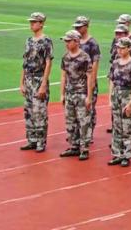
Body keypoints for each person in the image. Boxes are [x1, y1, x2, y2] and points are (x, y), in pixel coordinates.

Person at [20, 12, 53, 153]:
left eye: (34, 22)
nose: (31, 24)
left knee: (39, 112)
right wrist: (21, 82)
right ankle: (32, 140)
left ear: (41, 23)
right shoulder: (28, 40)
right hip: (28, 79)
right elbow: (25, 62)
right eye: (31, 22)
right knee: (28, 111)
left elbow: (48, 62)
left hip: (39, 79)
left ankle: (40, 141)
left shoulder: (46, 41)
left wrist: (44, 84)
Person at [59, 30, 93, 161]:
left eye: (68, 41)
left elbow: (90, 77)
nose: (66, 43)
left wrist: (89, 96)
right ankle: (74, 146)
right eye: (66, 41)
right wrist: (62, 94)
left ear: (76, 41)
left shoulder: (84, 57)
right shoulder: (65, 57)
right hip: (69, 93)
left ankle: (84, 148)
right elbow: (63, 76)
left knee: (83, 122)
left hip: (81, 94)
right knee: (70, 121)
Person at [108, 37, 131, 167]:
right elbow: (111, 79)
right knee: (117, 126)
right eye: (118, 47)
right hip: (116, 95)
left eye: (122, 48)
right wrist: (110, 97)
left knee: (127, 126)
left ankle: (126, 154)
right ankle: (117, 154)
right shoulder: (115, 63)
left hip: (127, 95)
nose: (119, 50)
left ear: (129, 48)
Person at [73, 16, 101, 142]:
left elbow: (95, 63)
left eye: (80, 27)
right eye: (76, 27)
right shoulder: (76, 42)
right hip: (76, 82)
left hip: (88, 80)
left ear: (86, 26)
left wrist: (93, 81)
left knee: (89, 108)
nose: (77, 29)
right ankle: (79, 135)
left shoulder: (92, 43)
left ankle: (88, 134)